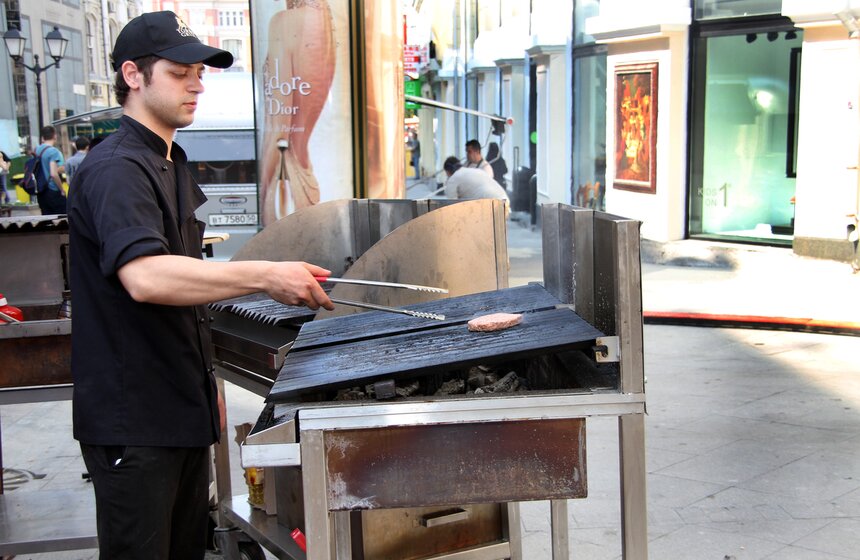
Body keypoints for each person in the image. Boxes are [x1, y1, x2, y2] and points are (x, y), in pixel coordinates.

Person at [67, 11, 334, 559]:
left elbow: (182, 282)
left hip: (176, 407)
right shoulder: (117, 167)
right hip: (133, 420)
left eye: (200, 72)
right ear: (133, 76)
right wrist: (264, 275)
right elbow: (145, 276)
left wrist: (201, 379)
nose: (196, 84)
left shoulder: (168, 160)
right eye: (179, 71)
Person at [443, 156, 510, 208]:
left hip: (492, 205)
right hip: (505, 202)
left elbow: (452, 205)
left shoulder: (453, 178)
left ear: (448, 171)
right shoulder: (475, 171)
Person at [35, 125, 67, 215]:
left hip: (41, 190)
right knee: (63, 218)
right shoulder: (54, 152)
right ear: (55, 136)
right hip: (53, 189)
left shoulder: (37, 150)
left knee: (46, 219)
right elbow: (54, 173)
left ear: (42, 137)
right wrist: (61, 189)